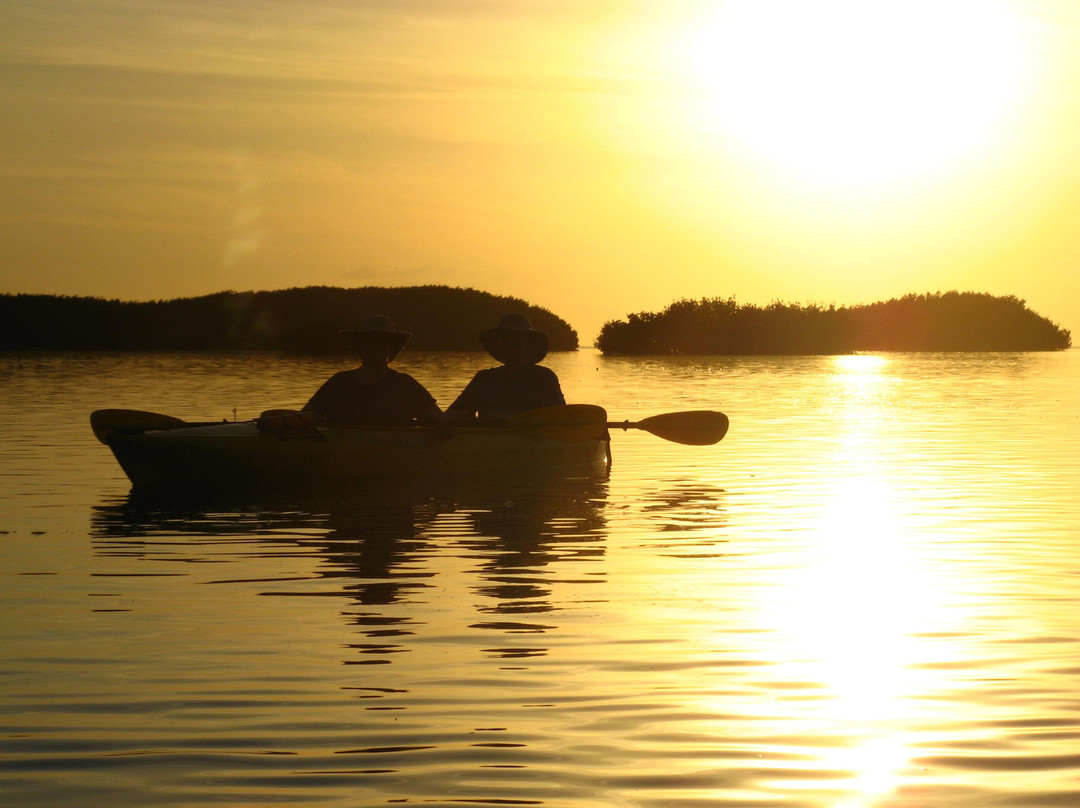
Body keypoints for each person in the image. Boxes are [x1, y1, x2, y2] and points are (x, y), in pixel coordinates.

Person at [301, 314, 443, 425]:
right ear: (359, 347)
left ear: (391, 349)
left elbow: (438, 420)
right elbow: (306, 415)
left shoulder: (405, 384)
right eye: (369, 342)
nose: (375, 347)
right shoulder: (339, 381)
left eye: (382, 343)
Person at [446, 313, 565, 421]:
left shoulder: (544, 377)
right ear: (499, 344)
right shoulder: (484, 378)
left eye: (517, 338)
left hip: (531, 439)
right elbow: (453, 414)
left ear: (528, 344)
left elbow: (561, 417)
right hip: (489, 439)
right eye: (505, 338)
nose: (511, 342)